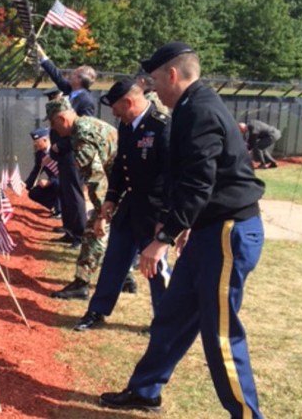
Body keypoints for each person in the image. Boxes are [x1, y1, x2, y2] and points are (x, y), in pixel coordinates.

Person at [99, 42, 266, 418]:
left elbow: (199, 183)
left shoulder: (199, 111)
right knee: (173, 315)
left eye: (155, 79)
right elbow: (188, 178)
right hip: (208, 229)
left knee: (220, 333)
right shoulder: (190, 107)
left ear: (172, 75)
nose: (153, 87)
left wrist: (163, 238)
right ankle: (146, 390)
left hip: (227, 232)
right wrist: (175, 222)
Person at [74, 78, 172, 331]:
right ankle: (97, 311)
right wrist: (111, 198)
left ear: (129, 102)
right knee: (114, 260)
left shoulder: (162, 127)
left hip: (153, 210)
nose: (115, 116)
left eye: (117, 110)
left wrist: (166, 216)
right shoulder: (127, 126)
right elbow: (120, 166)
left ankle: (165, 320)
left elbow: (173, 175)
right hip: (129, 207)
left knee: (156, 267)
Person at [45, 98, 117, 300]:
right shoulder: (87, 124)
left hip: (119, 187)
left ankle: (81, 284)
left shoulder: (80, 136)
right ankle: (126, 277)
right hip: (123, 185)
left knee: (93, 234)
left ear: (62, 118)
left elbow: (96, 178)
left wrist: (102, 213)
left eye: (53, 122)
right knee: (120, 234)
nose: (53, 128)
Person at [36, 43, 96, 249]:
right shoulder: (72, 93)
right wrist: (43, 57)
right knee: (65, 192)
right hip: (62, 152)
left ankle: (79, 235)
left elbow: (82, 131)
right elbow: (57, 77)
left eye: (74, 73)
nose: (70, 75)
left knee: (75, 193)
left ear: (81, 79)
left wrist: (61, 146)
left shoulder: (86, 101)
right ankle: (70, 230)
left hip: (72, 153)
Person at [24, 127, 61, 218]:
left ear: (45, 140)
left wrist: (50, 181)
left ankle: (60, 211)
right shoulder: (39, 154)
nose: (35, 144)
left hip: (64, 180)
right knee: (34, 193)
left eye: (37, 142)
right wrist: (26, 185)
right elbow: (36, 170)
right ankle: (55, 206)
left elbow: (64, 171)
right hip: (54, 181)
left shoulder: (57, 149)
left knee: (58, 185)